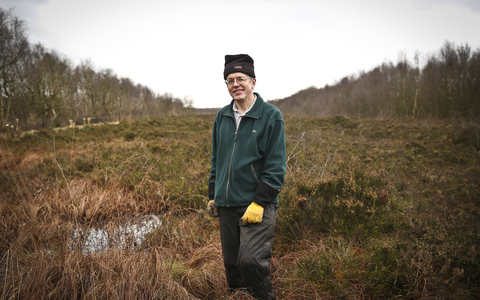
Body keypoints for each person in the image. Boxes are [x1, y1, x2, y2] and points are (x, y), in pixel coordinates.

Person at [207, 54, 287, 300]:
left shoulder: (271, 116)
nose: (235, 84)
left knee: (251, 262)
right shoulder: (222, 116)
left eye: (241, 78)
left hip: (256, 205)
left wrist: (259, 202)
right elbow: (216, 160)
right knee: (232, 267)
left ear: (253, 82)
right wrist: (213, 195)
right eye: (230, 80)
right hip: (226, 204)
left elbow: (275, 167)